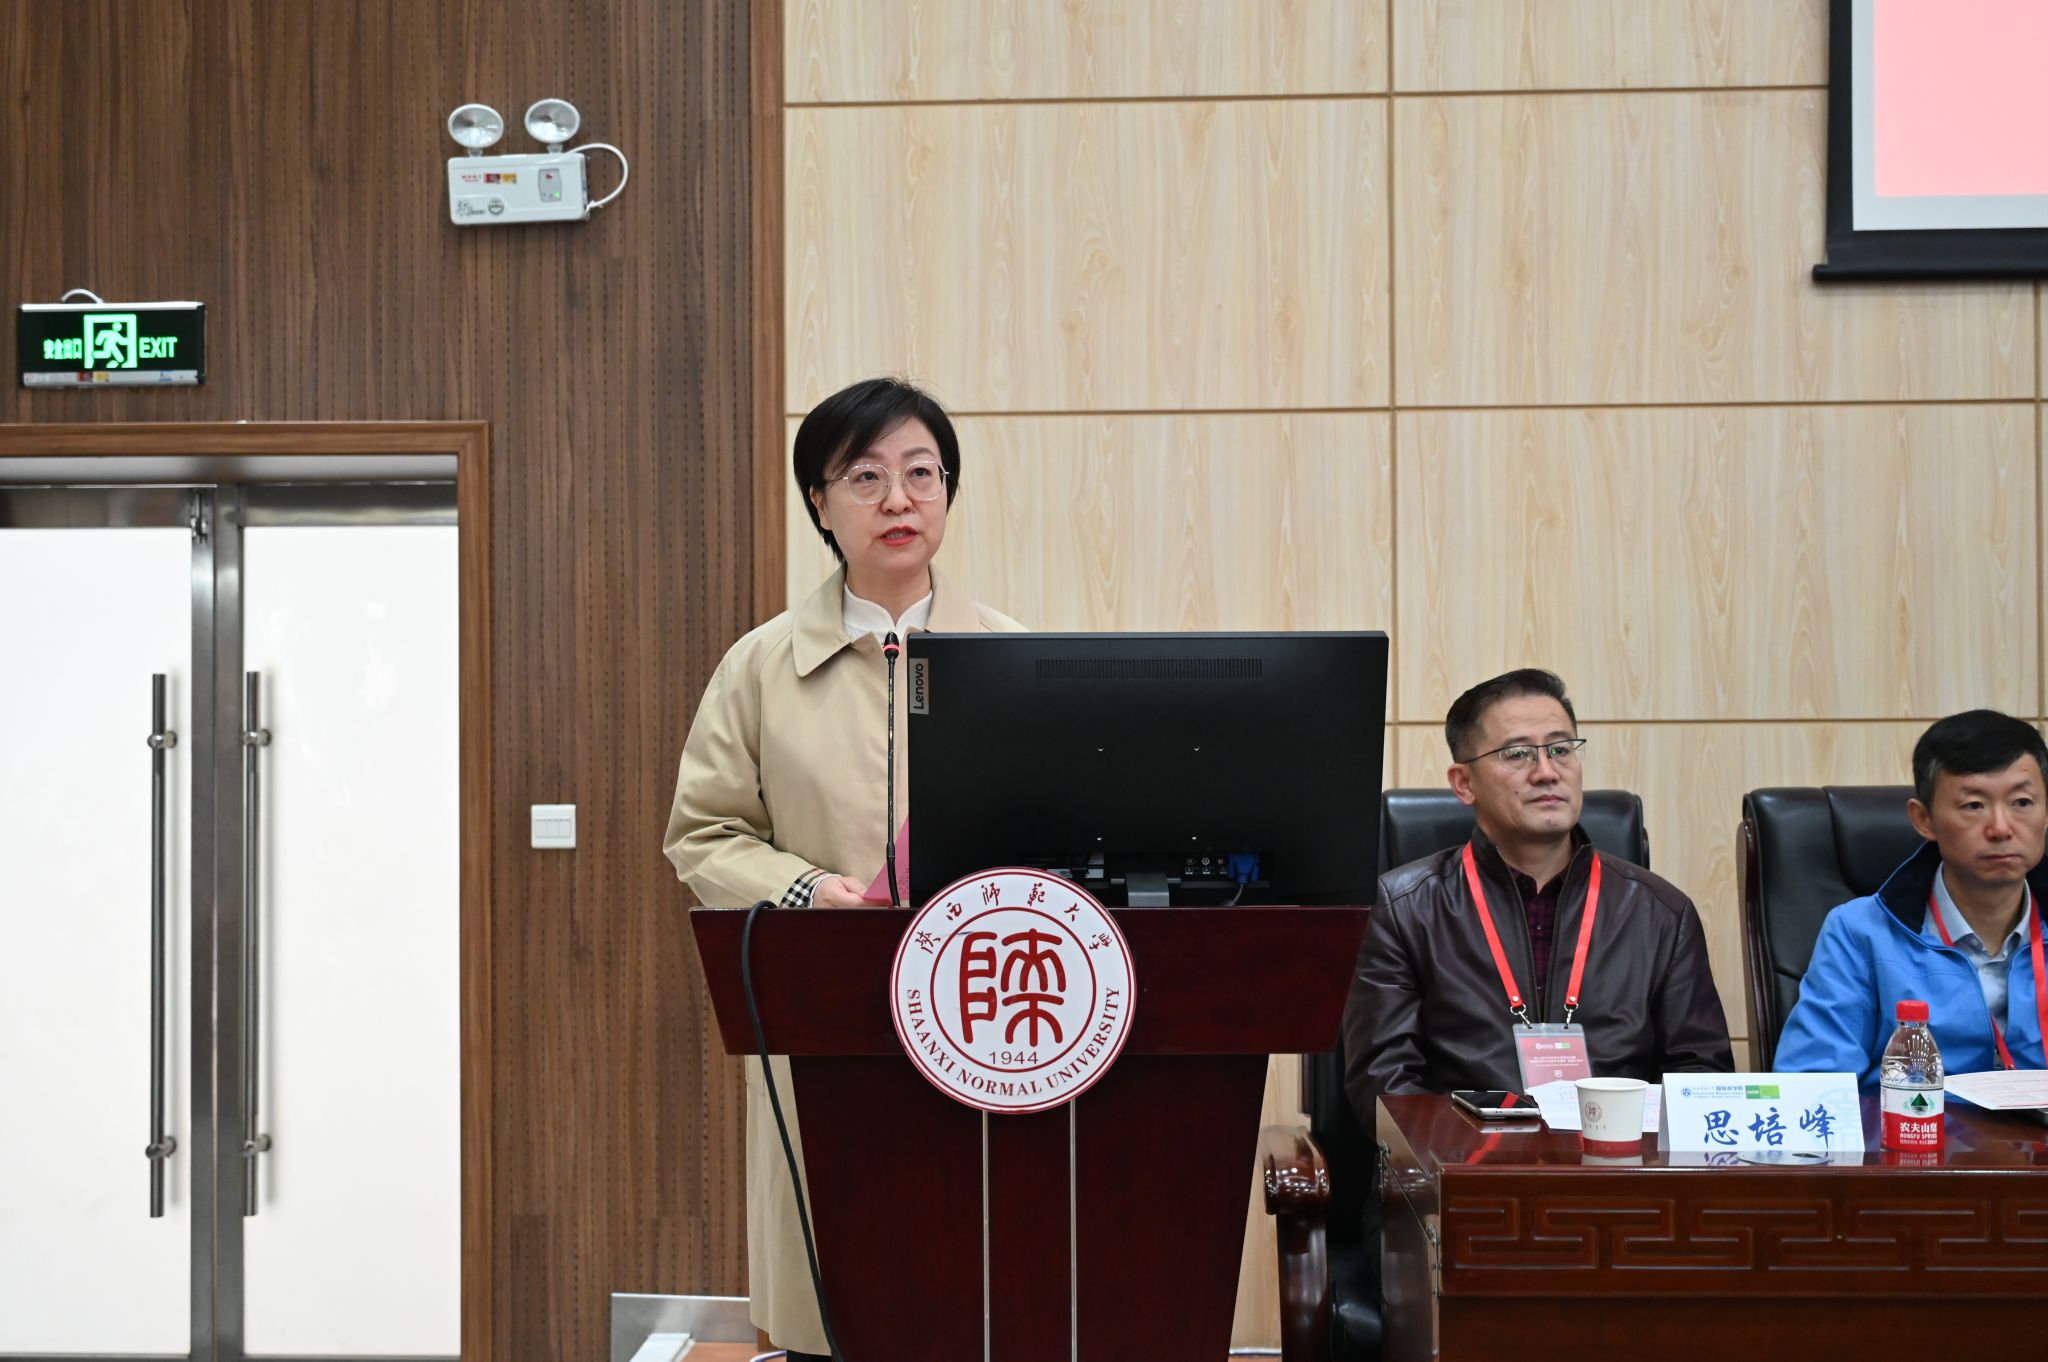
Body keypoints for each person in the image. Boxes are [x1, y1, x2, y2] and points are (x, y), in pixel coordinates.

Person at [663, 376, 1023, 1361]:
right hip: (830, 1006)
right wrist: (808, 893)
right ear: (820, 505)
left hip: (987, 1008)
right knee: (841, 1280)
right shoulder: (759, 666)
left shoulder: (1015, 657)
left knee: (981, 1279)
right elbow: (702, 834)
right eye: (865, 477)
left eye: (921, 473)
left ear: (947, 492)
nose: (898, 499)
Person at [1343, 668, 1733, 1131]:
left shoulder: (1661, 913)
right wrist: (1486, 1158)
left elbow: (1699, 1078)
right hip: (1469, 1167)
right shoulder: (1403, 909)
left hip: (1617, 1165)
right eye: (1518, 754)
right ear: (1464, 783)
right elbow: (1387, 1088)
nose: (1547, 772)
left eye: (1561, 749)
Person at [1777, 710, 2047, 1083]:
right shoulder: (1859, 933)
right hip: (1909, 1120)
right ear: (1924, 820)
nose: (2001, 828)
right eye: (1974, 805)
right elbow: (1813, 1084)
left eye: (2022, 802)